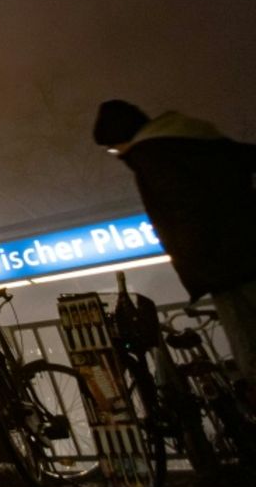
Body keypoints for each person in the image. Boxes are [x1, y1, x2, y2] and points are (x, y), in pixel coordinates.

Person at [93, 99, 256, 392]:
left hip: (228, 269)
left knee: (250, 350)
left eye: (115, 148)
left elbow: (184, 212)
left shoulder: (153, 156)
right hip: (245, 253)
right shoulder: (201, 141)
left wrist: (198, 263)